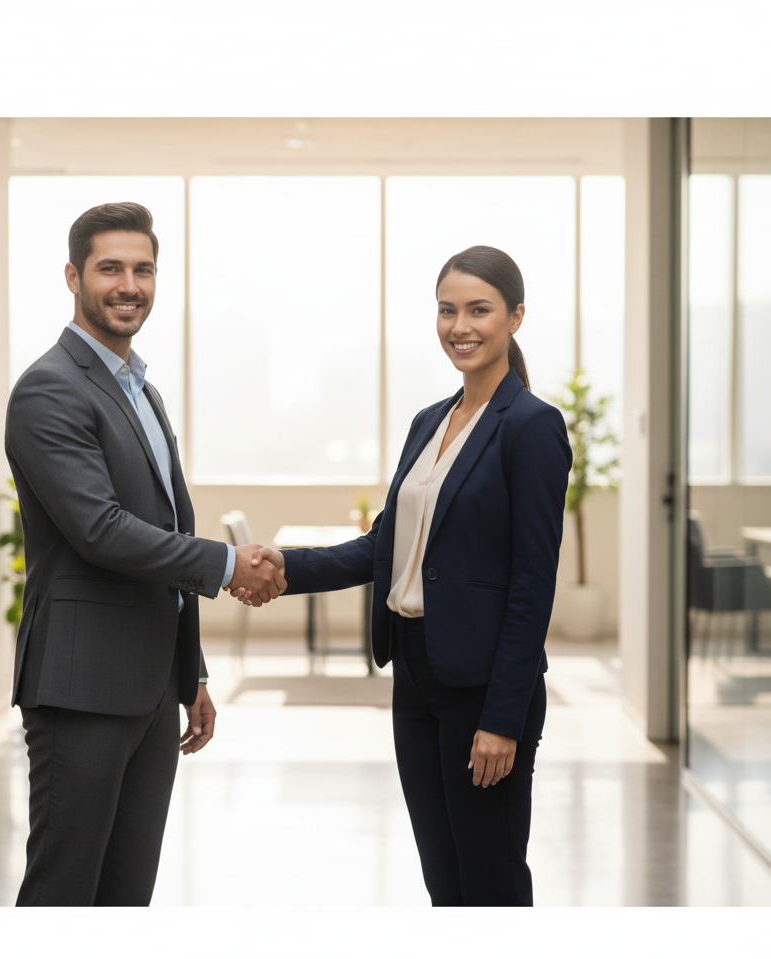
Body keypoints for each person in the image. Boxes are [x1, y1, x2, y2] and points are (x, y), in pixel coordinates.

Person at [234, 246, 571, 906]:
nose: (460, 326)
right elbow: (383, 548)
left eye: (479, 310)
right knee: (443, 875)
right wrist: (284, 568)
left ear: (515, 318)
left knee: (491, 876)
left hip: (483, 688)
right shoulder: (430, 421)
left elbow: (534, 583)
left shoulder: (532, 427)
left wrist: (503, 719)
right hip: (416, 676)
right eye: (447, 310)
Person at [5, 201, 286, 906]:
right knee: (64, 890)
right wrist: (227, 566)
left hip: (151, 691)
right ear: (73, 276)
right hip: (81, 689)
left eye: (143, 269)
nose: (129, 285)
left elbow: (162, 525)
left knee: (128, 894)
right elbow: (100, 529)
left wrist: (188, 672)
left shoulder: (142, 392)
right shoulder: (49, 389)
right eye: (110, 268)